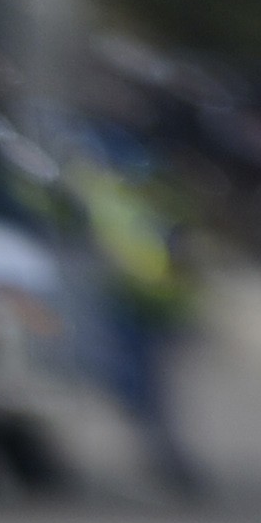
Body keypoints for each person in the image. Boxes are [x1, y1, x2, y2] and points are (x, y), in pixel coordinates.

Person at [67, 155, 201, 493]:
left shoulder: (152, 207)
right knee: (141, 389)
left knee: (148, 391)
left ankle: (168, 462)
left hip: (149, 309)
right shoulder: (112, 200)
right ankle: (166, 460)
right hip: (127, 307)